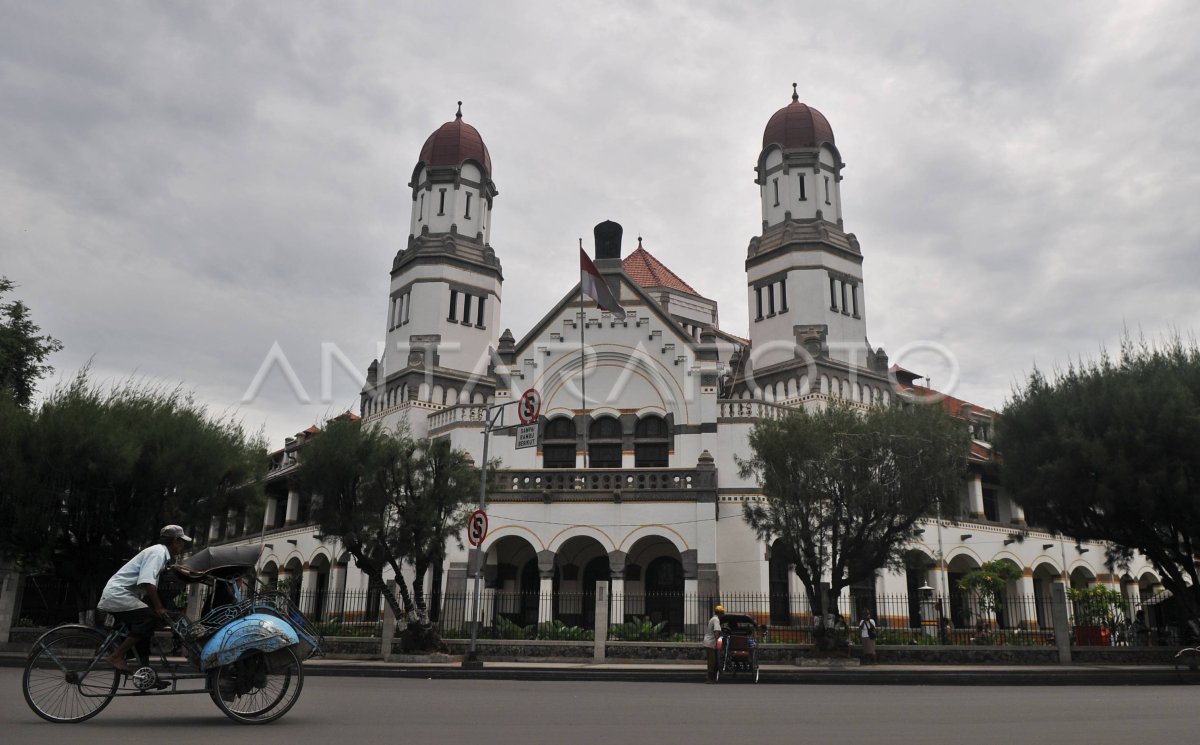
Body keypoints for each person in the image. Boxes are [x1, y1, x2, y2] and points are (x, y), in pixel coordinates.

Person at [98, 525, 192, 672]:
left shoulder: (161, 554)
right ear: (175, 541)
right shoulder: (158, 553)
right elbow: (147, 581)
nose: (182, 545)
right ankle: (117, 656)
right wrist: (159, 607)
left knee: (145, 630)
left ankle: (145, 672)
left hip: (123, 595)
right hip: (118, 595)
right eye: (181, 541)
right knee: (150, 619)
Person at [703, 604, 727, 683]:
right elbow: (716, 632)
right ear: (719, 613)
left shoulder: (713, 618)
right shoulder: (716, 620)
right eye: (722, 613)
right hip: (710, 643)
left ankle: (712, 677)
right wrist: (718, 643)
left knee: (713, 661)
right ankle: (710, 679)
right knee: (712, 661)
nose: (723, 615)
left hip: (709, 642)